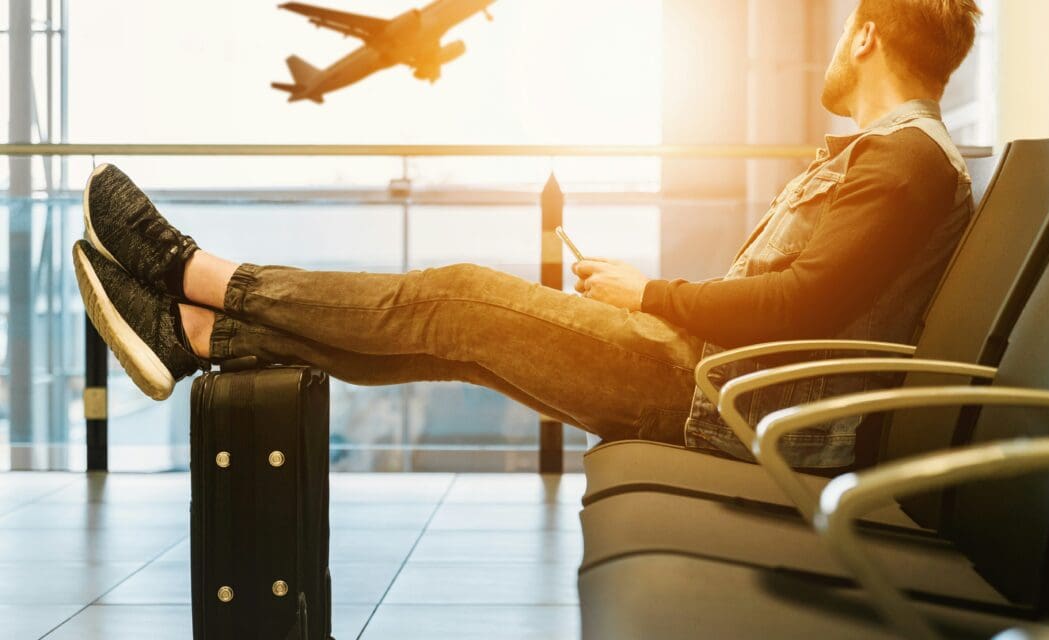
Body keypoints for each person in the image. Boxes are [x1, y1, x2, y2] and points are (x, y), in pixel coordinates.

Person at [73, 0, 980, 469]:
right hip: (716, 379)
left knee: (458, 297)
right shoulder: (896, 161)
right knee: (458, 340)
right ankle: (196, 334)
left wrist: (648, 295)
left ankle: (196, 276)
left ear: (865, 40)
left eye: (839, 33)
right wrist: (651, 296)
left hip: (720, 401)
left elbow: (801, 303)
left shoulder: (904, 164)